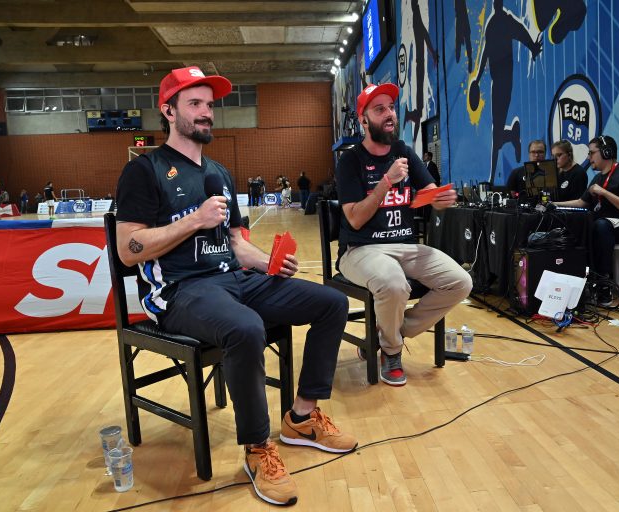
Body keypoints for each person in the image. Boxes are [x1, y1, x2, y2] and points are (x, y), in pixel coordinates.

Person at [114, 66, 356, 506]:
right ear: (168, 111)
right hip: (180, 291)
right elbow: (128, 250)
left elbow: (235, 244)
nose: (207, 112)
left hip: (235, 279)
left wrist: (268, 262)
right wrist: (194, 220)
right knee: (246, 328)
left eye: (209, 104)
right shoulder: (144, 171)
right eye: (195, 103)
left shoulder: (219, 174)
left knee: (331, 302)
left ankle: (301, 417)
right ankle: (258, 448)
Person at [335, 83, 473, 386]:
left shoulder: (404, 152)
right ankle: (392, 352)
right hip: (360, 250)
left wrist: (440, 199)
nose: (390, 114)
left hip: (406, 246)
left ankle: (389, 334)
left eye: (391, 108)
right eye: (380, 109)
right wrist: (385, 182)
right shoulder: (350, 161)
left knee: (460, 282)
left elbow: (429, 193)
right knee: (393, 284)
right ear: (363, 120)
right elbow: (355, 219)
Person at [553, 135, 619, 305]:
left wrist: (604, 193)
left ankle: (603, 285)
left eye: (592, 153)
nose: (589, 157)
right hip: (602, 225)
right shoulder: (598, 178)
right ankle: (579, 280)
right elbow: (581, 202)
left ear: (606, 153)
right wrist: (554, 204)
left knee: (600, 226)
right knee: (581, 225)